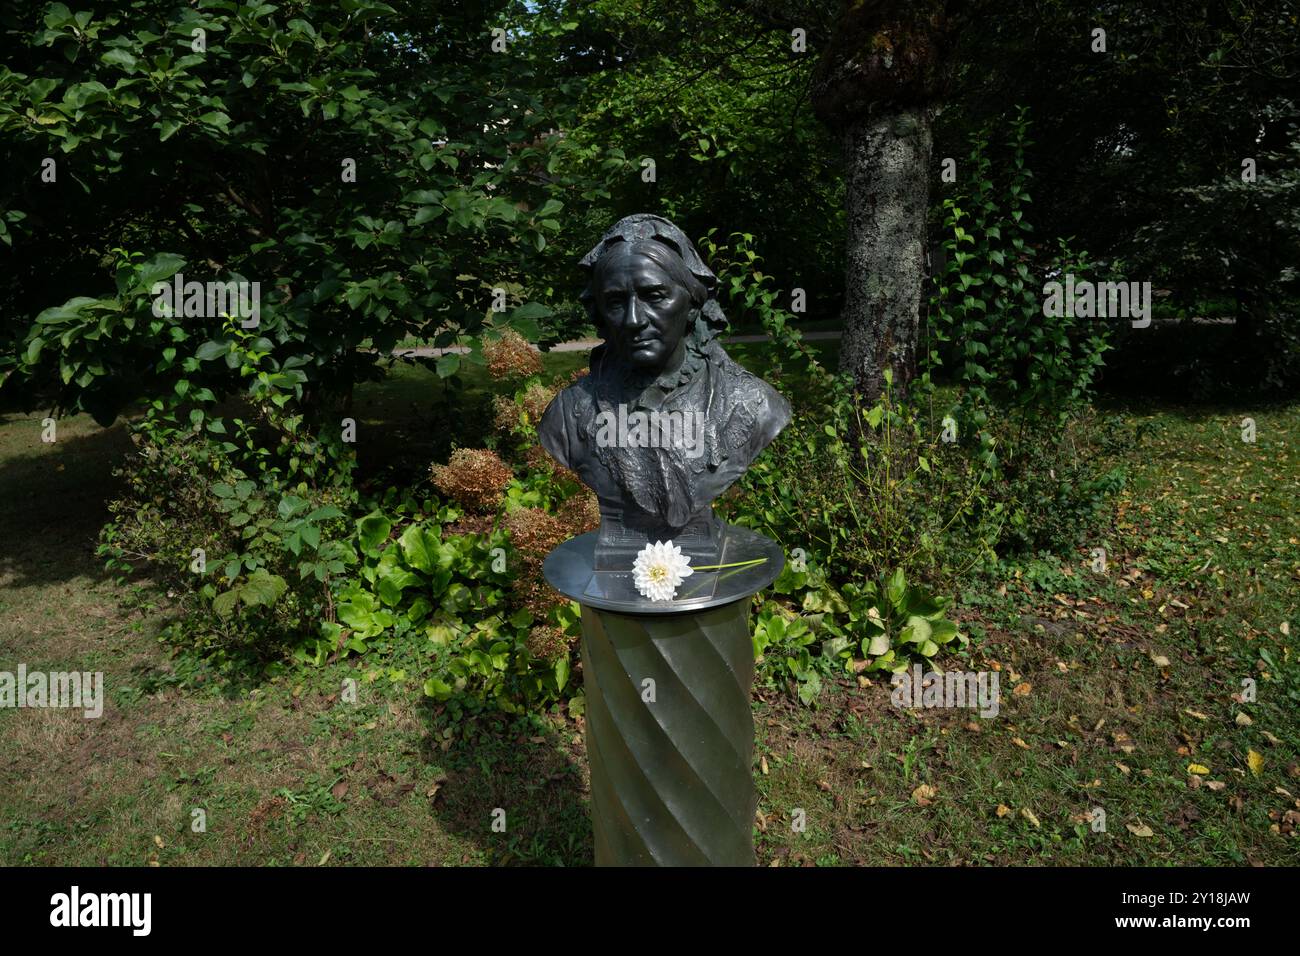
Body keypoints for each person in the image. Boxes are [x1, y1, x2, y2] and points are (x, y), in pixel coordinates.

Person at [539, 214, 791, 567]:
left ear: (692, 303)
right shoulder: (569, 415)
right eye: (614, 302)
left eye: (654, 296)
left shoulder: (753, 404)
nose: (633, 319)